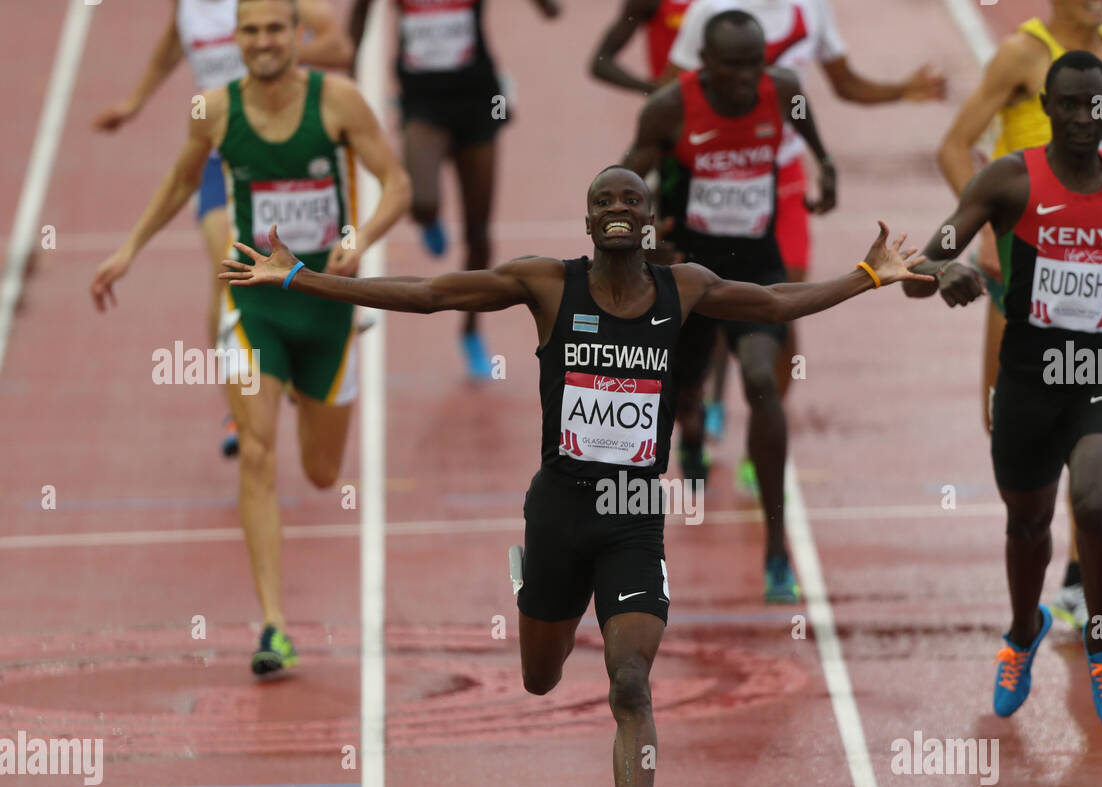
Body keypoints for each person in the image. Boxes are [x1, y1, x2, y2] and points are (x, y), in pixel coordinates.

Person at [220, 164, 930, 787]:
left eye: (631, 199)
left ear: (649, 219)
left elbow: (774, 300)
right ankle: (534, 586)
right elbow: (430, 297)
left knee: (630, 681)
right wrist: (300, 278)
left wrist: (866, 275)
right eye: (604, 202)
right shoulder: (547, 284)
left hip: (632, 516)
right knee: (540, 678)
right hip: (558, 512)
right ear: (588, 222)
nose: (618, 209)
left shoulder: (682, 288)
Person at [91, 0, 411, 676]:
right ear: (234, 39)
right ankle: (273, 625)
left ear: (295, 35)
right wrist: (128, 250)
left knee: (323, 474)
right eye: (250, 31)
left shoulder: (339, 101)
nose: (262, 41)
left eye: (274, 29)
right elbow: (182, 180)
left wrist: (358, 238)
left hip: (326, 304)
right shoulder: (214, 109)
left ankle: (301, 386)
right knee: (257, 455)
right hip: (255, 304)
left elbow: (397, 185)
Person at [903, 51, 1102, 734]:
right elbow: (921, 262)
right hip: (1028, 379)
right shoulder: (1010, 180)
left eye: (1094, 105)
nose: (1083, 117)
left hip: (1100, 371)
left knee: (1093, 501)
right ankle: (1023, 632)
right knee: (1027, 525)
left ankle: (1101, 640)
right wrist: (942, 271)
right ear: (1045, 108)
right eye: (1068, 104)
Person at [663, 0, 945, 478]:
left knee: (783, 303)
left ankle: (762, 438)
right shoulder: (709, 13)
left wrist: (903, 90)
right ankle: (703, 408)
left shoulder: (809, 9)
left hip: (781, 172)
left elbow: (844, 83)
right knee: (707, 306)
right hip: (711, 168)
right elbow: (671, 97)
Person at [936, 0, 1102, 629]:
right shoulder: (1022, 55)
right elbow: (954, 147)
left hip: (1095, 272)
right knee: (1006, 418)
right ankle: (1031, 554)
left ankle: (1081, 580)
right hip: (1016, 273)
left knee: (1093, 428)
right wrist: (999, 223)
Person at [624, 9, 835, 602]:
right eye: (734, 67)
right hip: (688, 277)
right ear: (704, 64)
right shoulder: (670, 107)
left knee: (761, 378)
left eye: (756, 63)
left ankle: (776, 548)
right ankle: (690, 425)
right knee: (682, 388)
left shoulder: (782, 92)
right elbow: (617, 184)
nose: (748, 78)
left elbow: (807, 125)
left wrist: (830, 168)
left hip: (756, 270)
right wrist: (647, 240)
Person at [93, 0, 354, 458]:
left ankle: (303, 345)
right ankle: (240, 397)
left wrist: (278, 52)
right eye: (248, 34)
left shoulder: (268, 9)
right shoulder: (186, 6)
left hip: (280, 148)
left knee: (294, 255)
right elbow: (170, 49)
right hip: (219, 156)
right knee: (228, 264)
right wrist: (134, 102)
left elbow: (339, 46)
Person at [348, 0, 561, 378]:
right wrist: (349, 82)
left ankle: (471, 330)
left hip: (479, 100)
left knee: (478, 232)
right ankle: (428, 218)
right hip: (423, 102)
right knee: (422, 200)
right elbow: (360, 15)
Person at [589, 0, 696, 93]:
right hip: (675, 108)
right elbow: (600, 63)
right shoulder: (647, 2)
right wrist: (653, 89)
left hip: (712, 102)